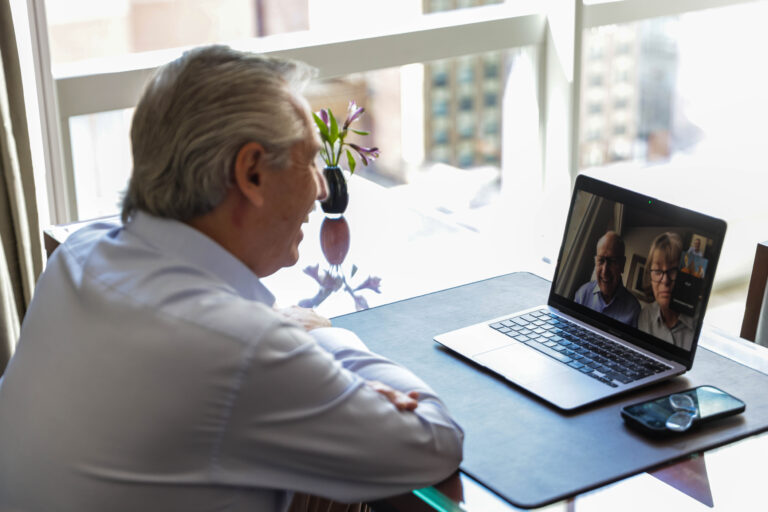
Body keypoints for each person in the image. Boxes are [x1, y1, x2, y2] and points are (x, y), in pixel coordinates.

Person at [0, 45, 463, 512]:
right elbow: (434, 444)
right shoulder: (244, 348)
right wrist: (324, 341)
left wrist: (293, 355)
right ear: (252, 172)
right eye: (308, 162)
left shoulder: (80, 254)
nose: (323, 189)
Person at [637, 232, 695, 350]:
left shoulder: (698, 322)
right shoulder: (645, 315)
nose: (665, 280)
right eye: (658, 271)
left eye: (673, 270)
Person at [573, 231, 641, 327]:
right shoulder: (582, 294)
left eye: (612, 261)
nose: (605, 271)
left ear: (622, 265)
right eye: (601, 260)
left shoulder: (633, 310)